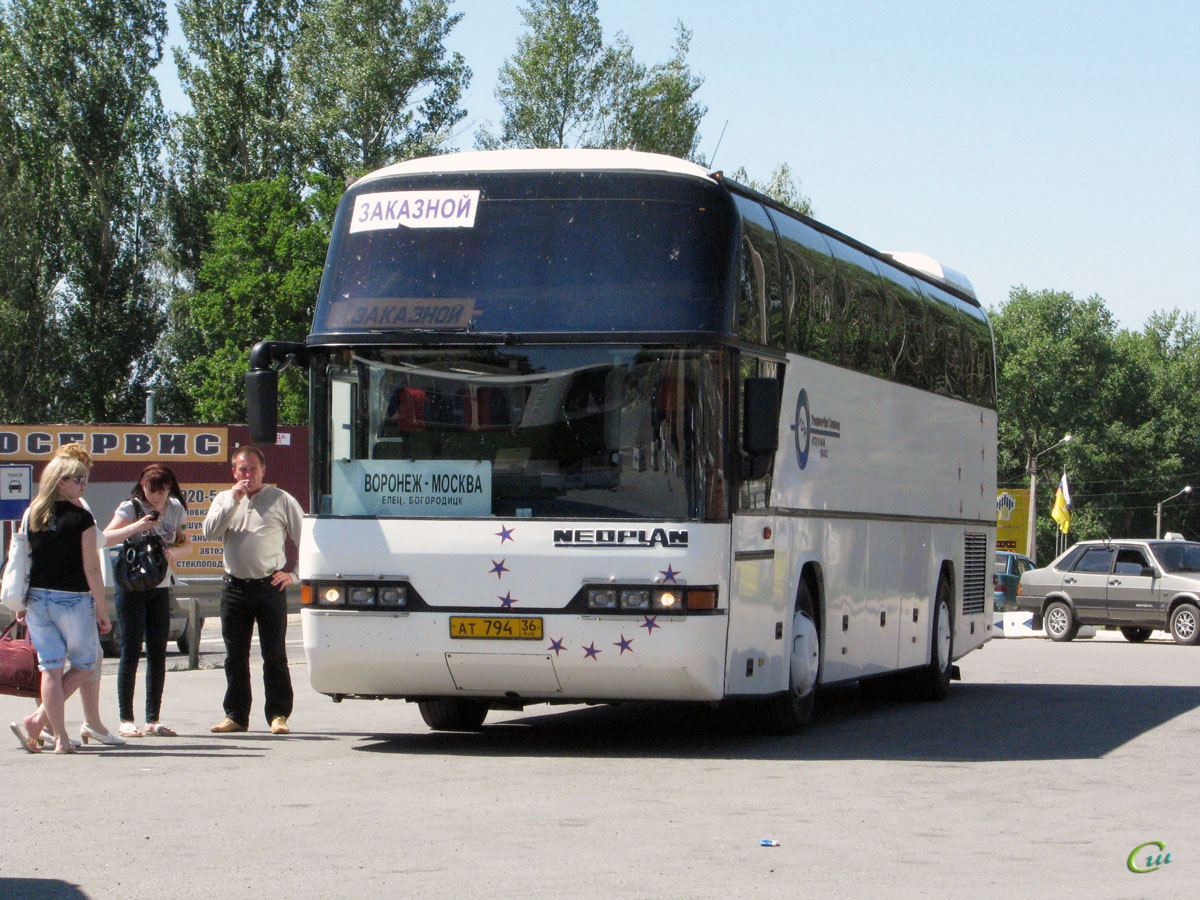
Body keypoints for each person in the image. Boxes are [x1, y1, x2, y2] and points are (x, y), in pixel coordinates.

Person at [14, 443, 125, 749]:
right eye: (77, 479)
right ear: (60, 481)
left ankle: (59, 736)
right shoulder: (81, 518)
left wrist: (19, 600)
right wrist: (101, 608)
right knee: (85, 663)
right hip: (72, 598)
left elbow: (24, 559)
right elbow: (91, 568)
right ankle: (38, 722)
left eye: (84, 478)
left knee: (50, 667)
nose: (83, 484)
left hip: (37, 599)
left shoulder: (34, 513)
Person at [203, 445, 302, 735]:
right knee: (235, 656)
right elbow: (209, 533)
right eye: (242, 469)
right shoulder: (224, 499)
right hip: (234, 587)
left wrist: (293, 574)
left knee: (274, 655)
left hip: (269, 586)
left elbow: (306, 539)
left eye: (253, 469)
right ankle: (235, 716)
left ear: (263, 471)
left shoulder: (280, 499)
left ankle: (278, 715)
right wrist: (233, 501)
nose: (248, 475)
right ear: (234, 472)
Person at [103, 464, 192, 737]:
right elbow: (105, 538)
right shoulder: (130, 507)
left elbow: (188, 544)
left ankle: (153, 718)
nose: (156, 497)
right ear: (142, 487)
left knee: (158, 651)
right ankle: (125, 718)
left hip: (159, 585)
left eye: (162, 491)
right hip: (131, 587)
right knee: (131, 649)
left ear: (169, 488)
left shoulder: (176, 508)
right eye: (151, 490)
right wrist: (138, 526)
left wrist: (174, 552)